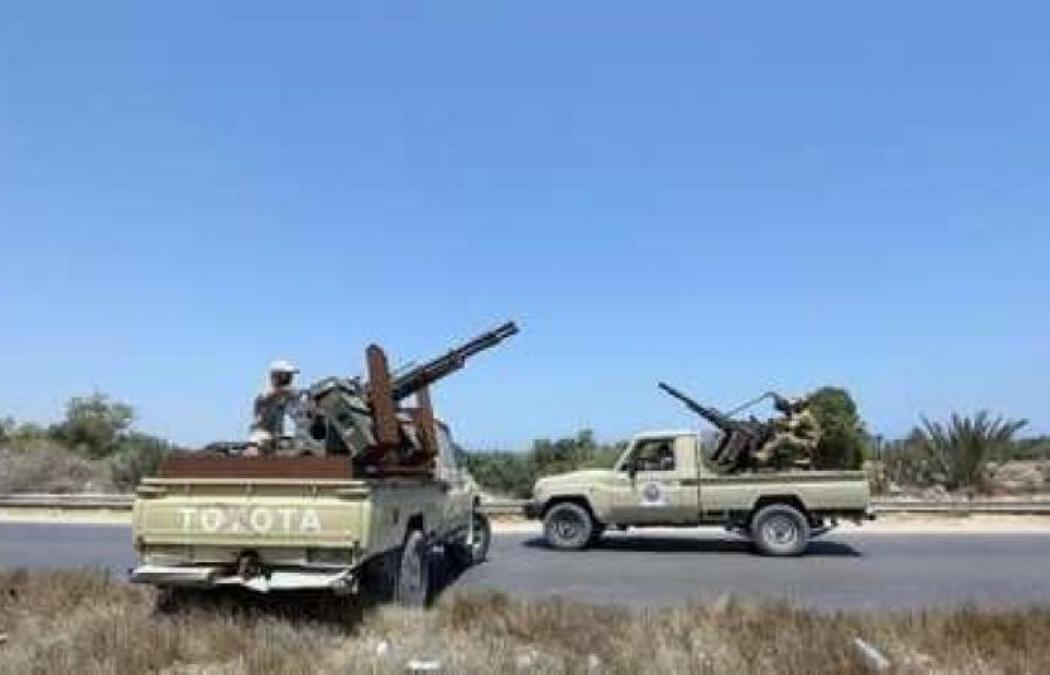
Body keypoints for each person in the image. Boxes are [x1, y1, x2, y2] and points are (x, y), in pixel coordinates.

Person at [246, 360, 300, 456]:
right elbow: (266, 397)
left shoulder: (286, 395)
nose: (291, 378)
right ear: (277, 376)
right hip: (261, 438)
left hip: (276, 438)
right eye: (287, 375)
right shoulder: (266, 392)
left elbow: (296, 411)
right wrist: (285, 391)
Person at [753, 394, 821, 468]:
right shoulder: (800, 414)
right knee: (780, 435)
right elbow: (788, 420)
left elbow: (791, 426)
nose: (793, 407)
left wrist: (779, 422)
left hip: (809, 443)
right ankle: (766, 455)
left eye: (795, 405)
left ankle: (764, 455)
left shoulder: (804, 415)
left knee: (784, 436)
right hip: (807, 441)